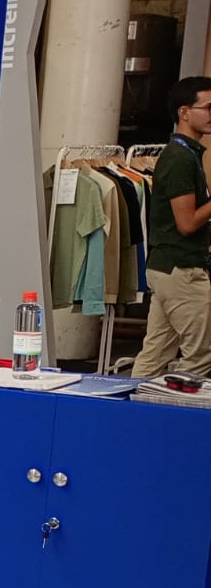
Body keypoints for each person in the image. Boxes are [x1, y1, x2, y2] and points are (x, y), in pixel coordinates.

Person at [132, 76, 211, 377]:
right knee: (200, 356)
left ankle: (133, 416)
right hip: (181, 270)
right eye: (208, 107)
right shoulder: (180, 158)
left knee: (155, 353)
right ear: (184, 112)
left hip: (167, 268)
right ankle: (179, 418)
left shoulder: (184, 154)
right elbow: (187, 222)